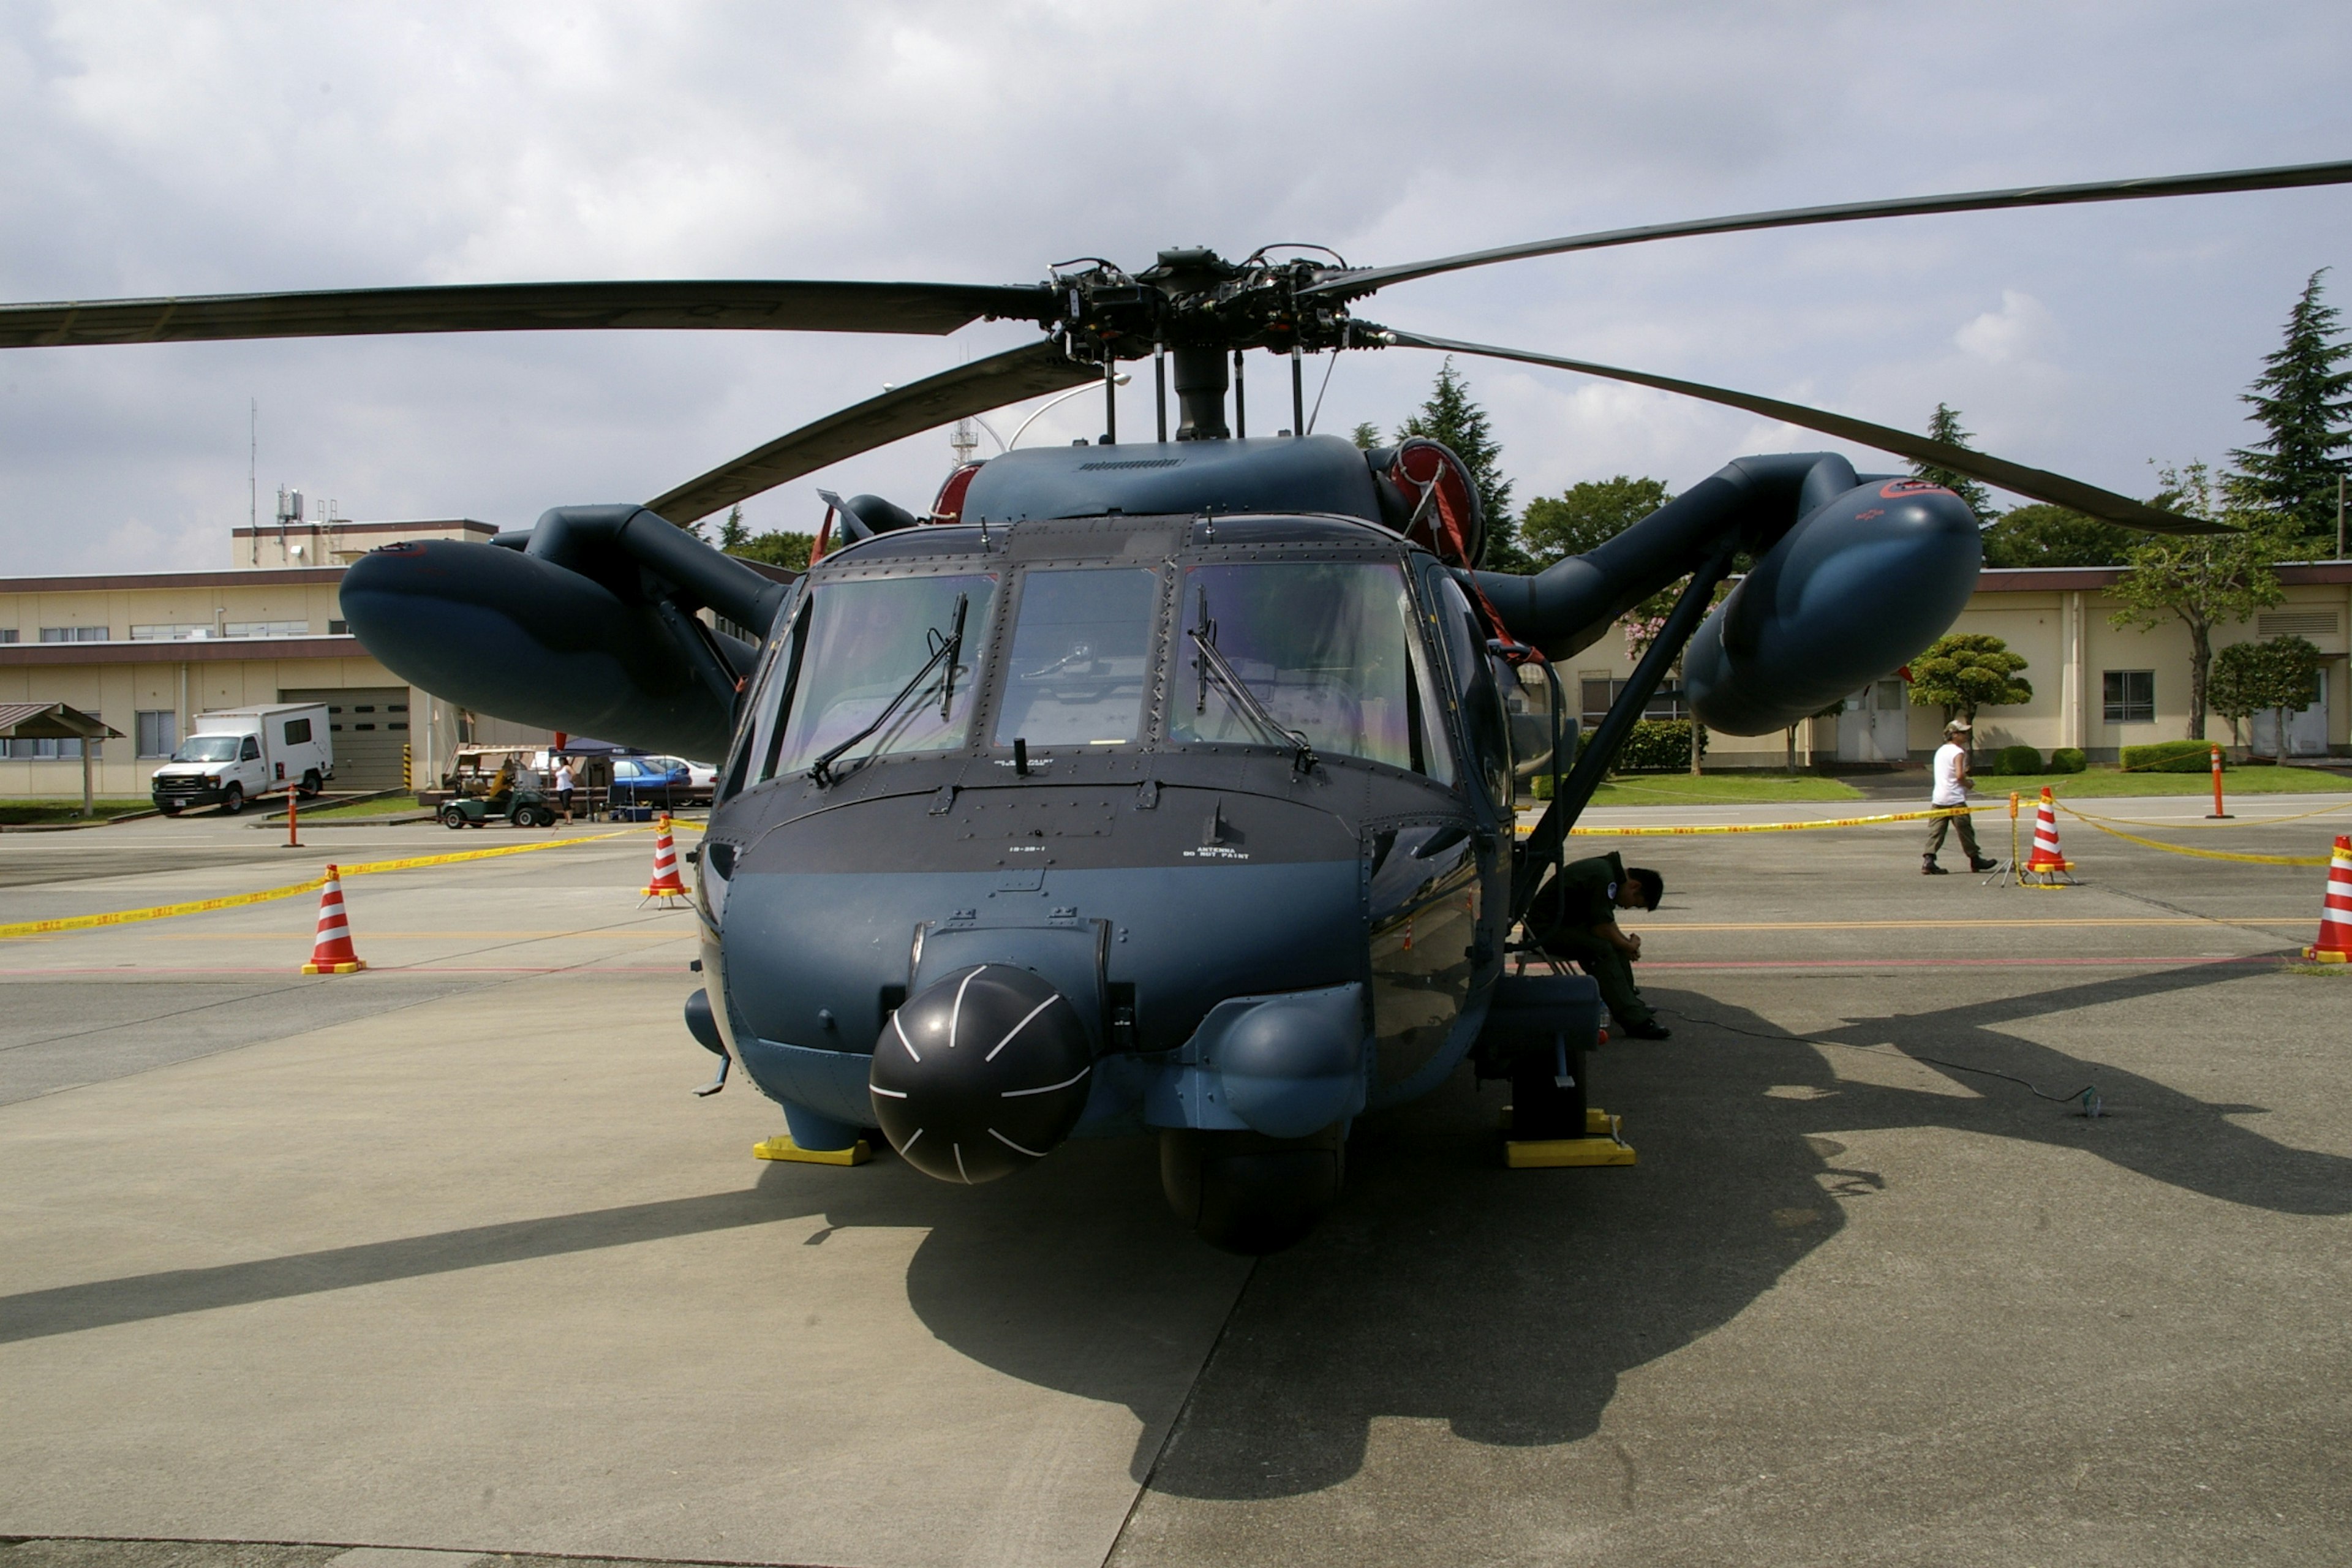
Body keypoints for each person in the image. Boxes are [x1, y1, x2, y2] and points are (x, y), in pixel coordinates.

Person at [1525, 850, 1670, 1039]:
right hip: (1545, 932)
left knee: (1613, 945)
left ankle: (1631, 1005)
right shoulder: (1604, 878)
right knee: (1601, 949)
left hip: (1561, 927)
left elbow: (1605, 922)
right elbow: (1601, 928)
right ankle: (1634, 1020)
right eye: (1635, 903)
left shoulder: (1606, 873)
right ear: (1635, 886)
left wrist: (1625, 944)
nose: (1628, 907)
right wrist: (1628, 946)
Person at [1923, 718, 1996, 875]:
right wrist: (1969, 784)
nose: (1965, 736)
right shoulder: (1958, 752)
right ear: (1953, 735)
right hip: (1955, 799)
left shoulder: (1941, 751)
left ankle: (1929, 860)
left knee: (1936, 831)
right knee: (1965, 831)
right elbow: (1959, 776)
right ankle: (1975, 859)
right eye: (1962, 733)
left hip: (1939, 798)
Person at [553, 755, 576, 824]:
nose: (560, 762)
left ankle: (570, 820)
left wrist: (571, 780)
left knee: (566, 803)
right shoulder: (559, 768)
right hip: (560, 788)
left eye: (561, 760)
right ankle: (566, 819)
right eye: (559, 760)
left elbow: (574, 774)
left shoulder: (567, 767)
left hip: (567, 787)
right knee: (563, 804)